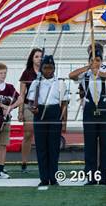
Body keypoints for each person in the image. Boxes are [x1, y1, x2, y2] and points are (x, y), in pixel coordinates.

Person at [69, 46, 106, 185]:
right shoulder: (85, 73)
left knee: (105, 143)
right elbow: (71, 75)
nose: (95, 62)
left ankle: (104, 176)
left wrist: (100, 73)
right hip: (90, 109)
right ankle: (91, 175)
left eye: (97, 60)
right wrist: (88, 68)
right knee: (90, 143)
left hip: (104, 108)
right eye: (92, 60)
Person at [27, 55, 68, 186]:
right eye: (45, 68)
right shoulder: (35, 82)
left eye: (51, 68)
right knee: (41, 147)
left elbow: (64, 104)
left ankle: (54, 177)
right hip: (40, 115)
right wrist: (32, 108)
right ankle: (44, 178)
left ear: (54, 68)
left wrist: (64, 122)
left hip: (54, 113)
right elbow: (30, 102)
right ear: (41, 69)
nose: (48, 70)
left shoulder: (60, 83)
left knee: (54, 148)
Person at [18, 48, 43, 173]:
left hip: (43, 107)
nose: (39, 59)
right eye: (36, 56)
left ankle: (43, 162)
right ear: (32, 58)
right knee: (28, 135)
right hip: (29, 106)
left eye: (40, 56)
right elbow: (22, 94)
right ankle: (24, 162)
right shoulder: (26, 73)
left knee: (42, 136)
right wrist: (20, 111)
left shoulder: (47, 72)